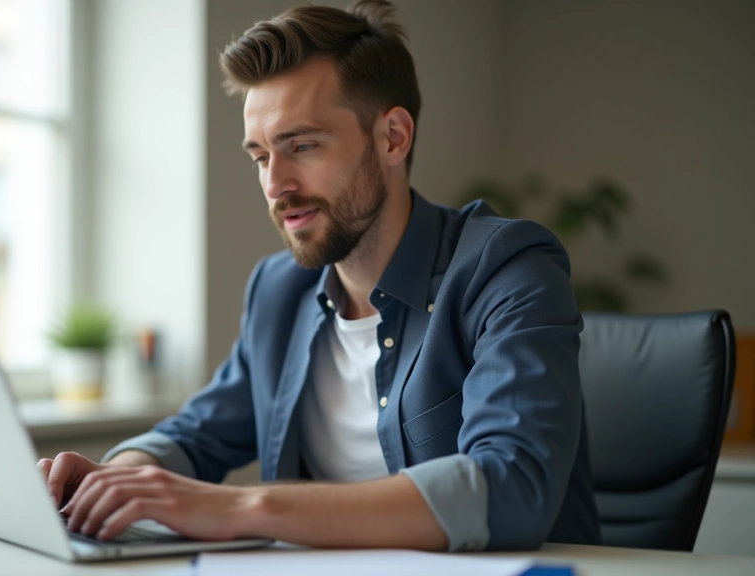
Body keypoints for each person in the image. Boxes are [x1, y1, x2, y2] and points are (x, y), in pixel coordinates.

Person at [39, 0, 601, 551]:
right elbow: (196, 435)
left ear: (392, 138)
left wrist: (243, 507)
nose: (275, 184)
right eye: (261, 156)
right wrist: (116, 480)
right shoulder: (279, 291)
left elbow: (512, 487)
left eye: (301, 146)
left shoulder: (506, 269)